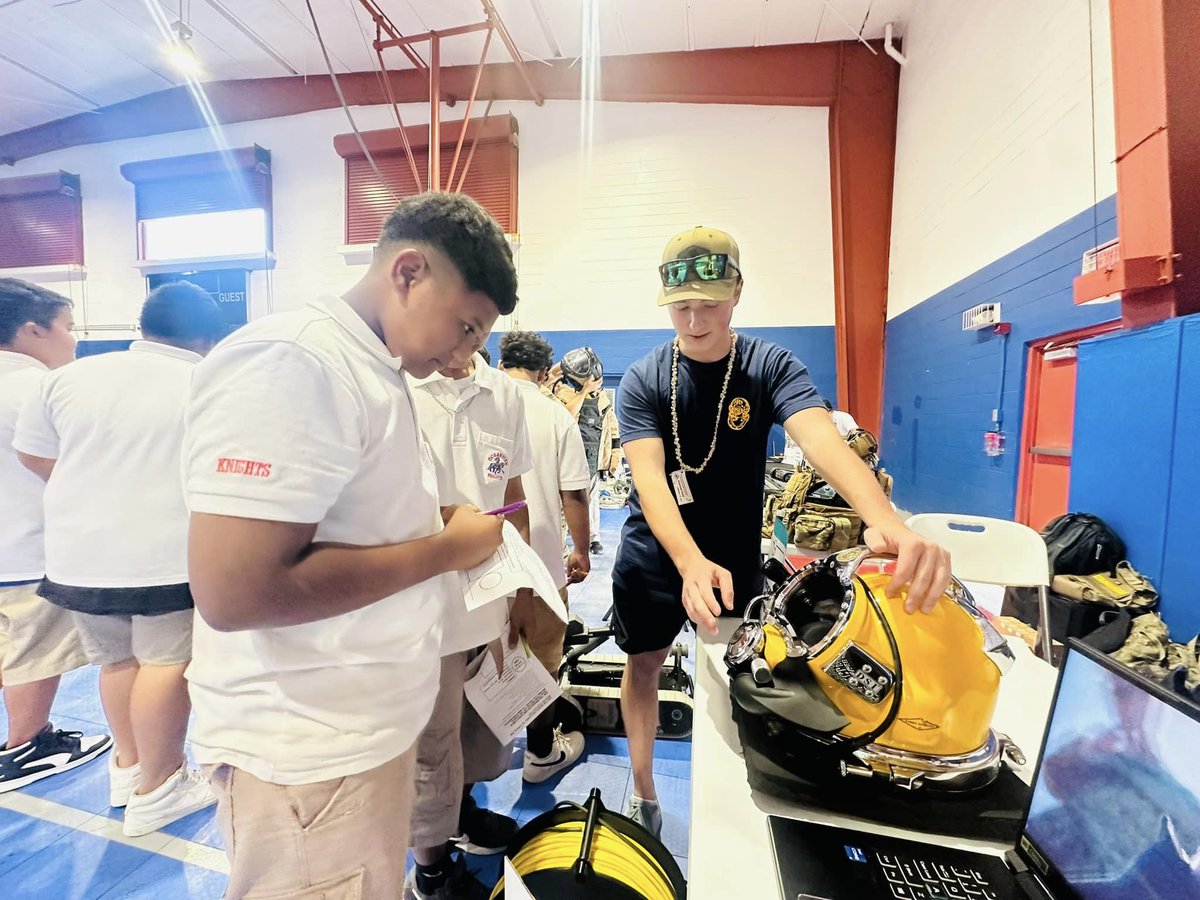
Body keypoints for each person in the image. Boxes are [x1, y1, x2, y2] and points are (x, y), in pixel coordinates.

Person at [181, 192, 515, 897]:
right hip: (306, 747)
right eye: (463, 326)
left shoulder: (373, 369)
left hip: (354, 732)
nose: (463, 353)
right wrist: (447, 550)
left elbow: (348, 522)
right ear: (409, 272)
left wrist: (432, 520)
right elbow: (235, 592)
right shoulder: (296, 362)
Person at [612, 226, 952, 837]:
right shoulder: (642, 379)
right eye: (681, 307)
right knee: (644, 667)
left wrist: (887, 520)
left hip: (733, 553)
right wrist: (688, 561)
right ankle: (644, 793)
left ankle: (751, 791)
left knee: (742, 670)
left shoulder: (767, 366)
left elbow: (822, 439)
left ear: (737, 292)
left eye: (708, 305)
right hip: (658, 555)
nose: (693, 321)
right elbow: (651, 483)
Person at [14, 283, 224, 834]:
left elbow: (33, 452)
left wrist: (95, 495)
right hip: (160, 554)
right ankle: (162, 785)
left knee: (117, 662)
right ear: (207, 336)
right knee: (164, 663)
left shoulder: (67, 378)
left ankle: (128, 770)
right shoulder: (208, 381)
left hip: (76, 555)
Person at [405, 348, 534, 899]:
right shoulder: (400, 387)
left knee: (481, 738)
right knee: (430, 746)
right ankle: (429, 869)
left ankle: (459, 817)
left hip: (488, 605)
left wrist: (523, 589)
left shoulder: (502, 394)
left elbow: (512, 497)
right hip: (421, 613)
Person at [0, 279, 110, 792]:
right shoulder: (37, 389)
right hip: (25, 548)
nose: (74, 339)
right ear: (32, 330)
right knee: (33, 649)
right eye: (68, 327)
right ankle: (27, 744)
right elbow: (79, 466)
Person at [498, 331, 592, 783]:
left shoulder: (477, 405)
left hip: (474, 565)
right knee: (542, 660)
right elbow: (573, 493)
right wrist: (579, 548)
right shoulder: (555, 415)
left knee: (480, 660)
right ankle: (539, 753)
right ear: (542, 372)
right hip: (539, 566)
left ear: (501, 362)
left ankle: (477, 766)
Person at [548, 348, 616, 553]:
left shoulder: (603, 400)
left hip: (594, 457)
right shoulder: (563, 394)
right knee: (568, 501)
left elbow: (613, 428)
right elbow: (567, 415)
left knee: (592, 500)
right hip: (570, 458)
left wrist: (614, 457)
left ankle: (593, 538)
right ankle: (562, 543)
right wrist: (583, 389)